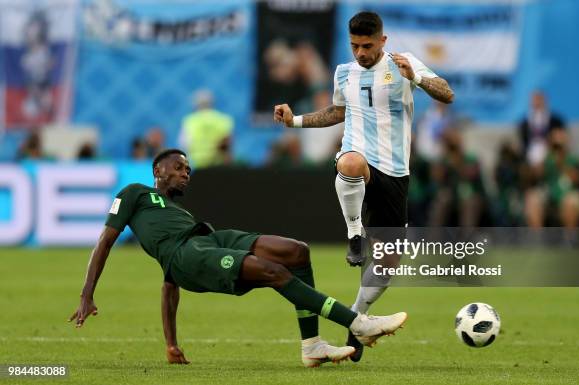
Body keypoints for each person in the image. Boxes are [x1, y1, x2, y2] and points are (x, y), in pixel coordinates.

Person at [68, 149, 407, 368]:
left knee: (297, 251)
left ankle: (312, 345)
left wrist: (171, 344)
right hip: (188, 253)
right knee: (273, 271)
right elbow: (106, 241)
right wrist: (87, 293)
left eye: (188, 169)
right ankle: (358, 323)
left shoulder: (179, 213)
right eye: (179, 167)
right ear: (158, 169)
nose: (186, 173)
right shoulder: (134, 194)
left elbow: (169, 284)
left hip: (209, 239)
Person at [274, 11, 453, 361]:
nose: (360, 53)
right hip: (359, 161)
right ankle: (354, 234)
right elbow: (338, 112)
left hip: (396, 172)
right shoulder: (344, 72)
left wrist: (415, 76)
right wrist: (294, 121)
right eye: (355, 45)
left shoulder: (404, 65)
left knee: (389, 261)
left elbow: (447, 94)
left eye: (367, 46)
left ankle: (356, 322)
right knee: (350, 162)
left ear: (382, 41)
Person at [179, 90, 233, 169]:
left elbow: (184, 145)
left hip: (197, 165)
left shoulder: (190, 121)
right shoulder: (223, 120)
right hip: (218, 164)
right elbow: (227, 145)